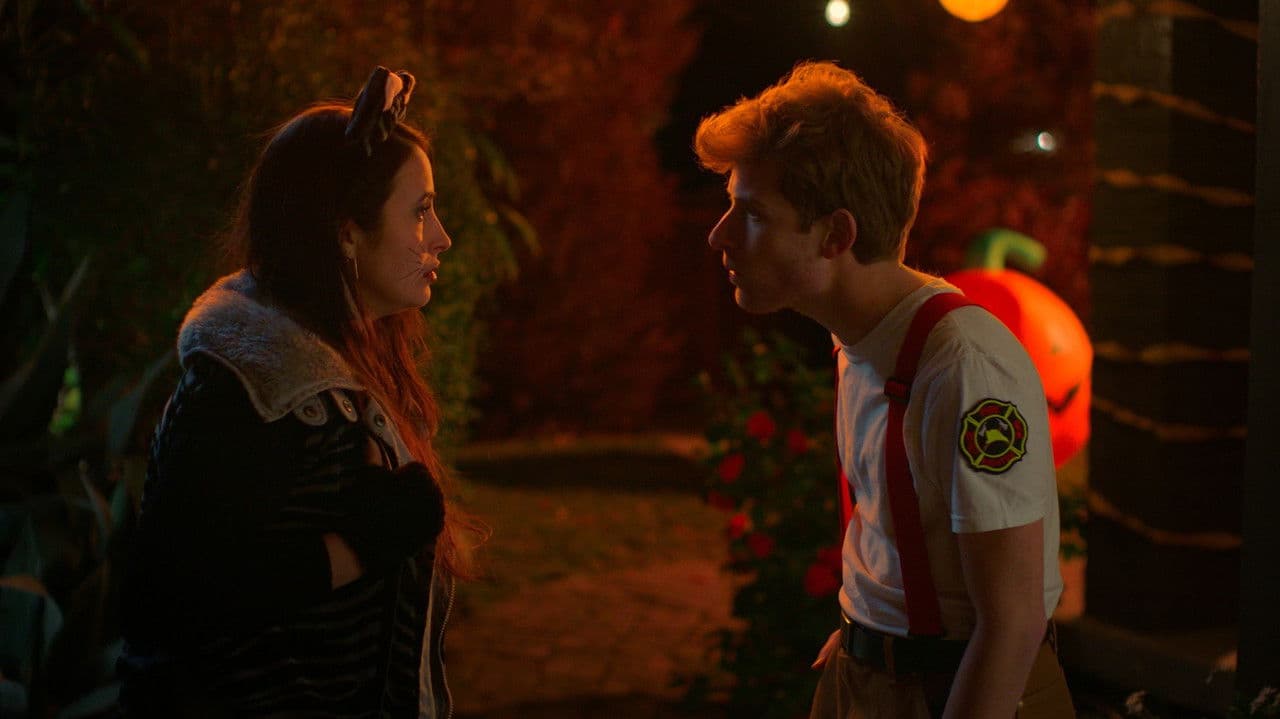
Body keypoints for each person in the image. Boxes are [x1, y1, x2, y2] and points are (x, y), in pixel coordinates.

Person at [695, 61, 1074, 718]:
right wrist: (864, 637)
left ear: (836, 235)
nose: (719, 234)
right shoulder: (860, 335)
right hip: (869, 673)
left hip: (951, 689)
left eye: (751, 213)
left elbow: (1012, 622)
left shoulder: (963, 365)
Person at [118, 67, 477, 717]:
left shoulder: (332, 370)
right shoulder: (251, 390)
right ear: (346, 231)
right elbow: (171, 597)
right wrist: (359, 543)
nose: (441, 237)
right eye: (421, 211)